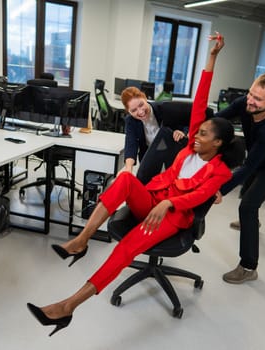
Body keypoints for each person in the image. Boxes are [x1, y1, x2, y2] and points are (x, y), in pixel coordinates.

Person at [27, 33, 235, 336]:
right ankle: (82, 240)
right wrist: (212, 58)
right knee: (125, 178)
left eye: (203, 133)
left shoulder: (220, 172)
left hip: (170, 216)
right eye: (198, 130)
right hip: (153, 198)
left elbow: (199, 195)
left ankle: (67, 307)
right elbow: (201, 98)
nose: (196, 134)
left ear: (217, 143)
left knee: (125, 248)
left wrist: (170, 203)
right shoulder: (191, 144)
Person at [214, 72, 265, 284]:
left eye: (258, 99)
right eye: (251, 93)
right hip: (257, 156)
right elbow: (218, 119)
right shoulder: (245, 103)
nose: (251, 100)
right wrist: (195, 131)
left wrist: (220, 189)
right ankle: (252, 223)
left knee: (247, 206)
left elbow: (249, 167)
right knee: (247, 198)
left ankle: (248, 267)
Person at [120, 85, 188, 175]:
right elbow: (131, 143)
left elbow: (185, 121)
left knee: (171, 180)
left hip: (172, 151)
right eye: (134, 110)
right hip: (149, 154)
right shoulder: (131, 121)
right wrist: (128, 168)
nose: (140, 112)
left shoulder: (163, 108)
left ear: (145, 98)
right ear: (128, 111)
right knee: (145, 182)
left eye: (141, 105)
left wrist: (182, 132)